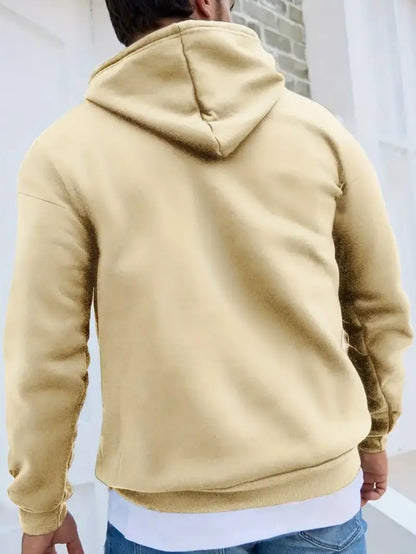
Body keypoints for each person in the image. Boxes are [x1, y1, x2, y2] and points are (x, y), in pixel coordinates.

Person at [3, 1, 414, 553]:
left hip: (165, 521)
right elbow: (373, 308)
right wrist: (375, 432)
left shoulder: (65, 153)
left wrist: (41, 505)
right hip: (318, 501)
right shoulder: (320, 133)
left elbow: (46, 352)